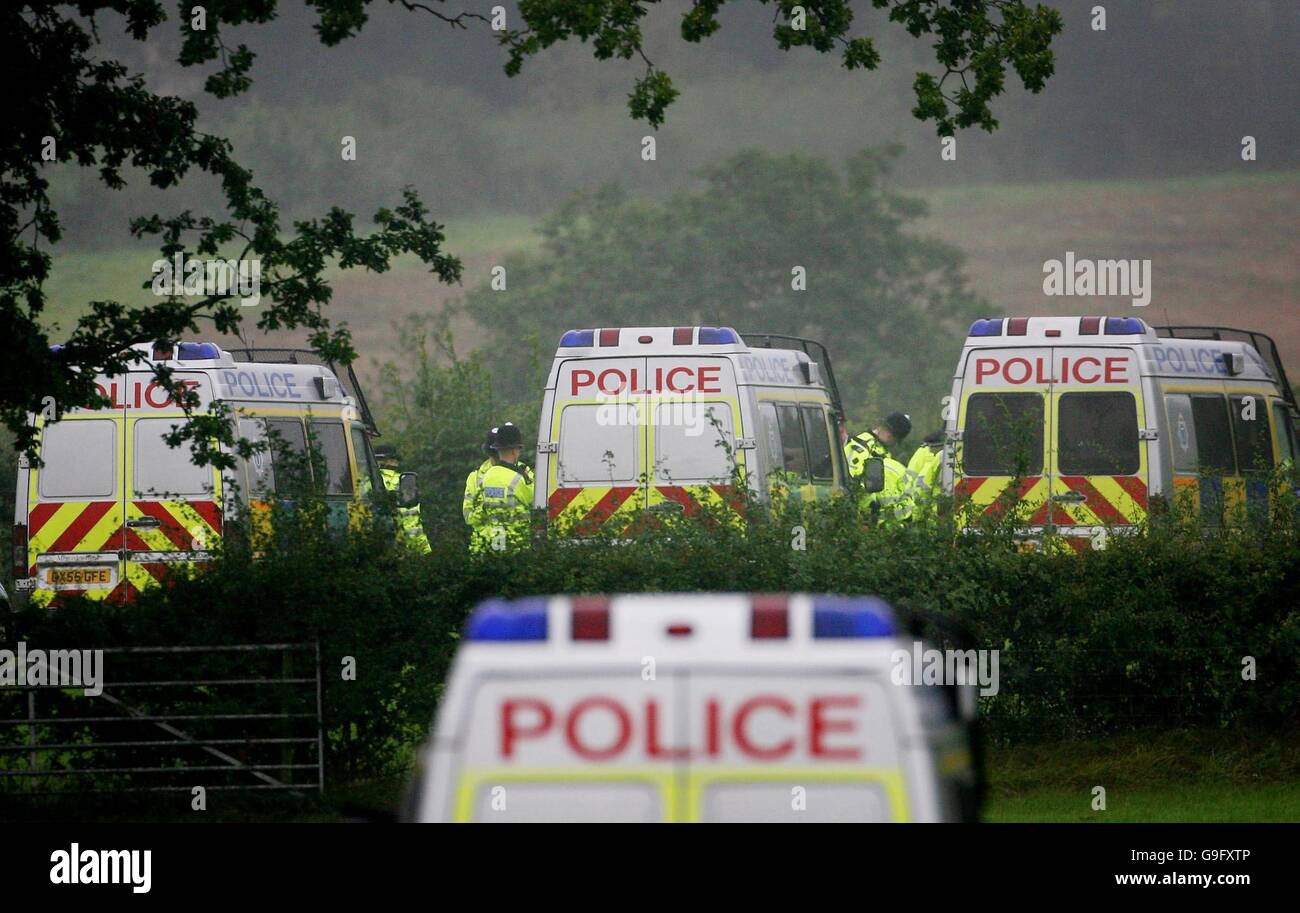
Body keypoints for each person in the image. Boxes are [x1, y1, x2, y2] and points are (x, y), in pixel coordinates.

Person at [463, 422, 535, 553]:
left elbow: (472, 515)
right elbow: (537, 503)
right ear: (515, 450)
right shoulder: (521, 477)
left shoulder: (485, 477)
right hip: (515, 545)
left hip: (486, 546)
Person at [844, 412, 914, 523]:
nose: (893, 441)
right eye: (894, 437)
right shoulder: (862, 446)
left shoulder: (881, 449)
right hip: (857, 514)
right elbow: (851, 482)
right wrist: (869, 507)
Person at [374, 443, 431, 553]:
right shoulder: (404, 480)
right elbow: (410, 521)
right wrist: (423, 550)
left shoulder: (364, 481)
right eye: (394, 459)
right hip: (404, 545)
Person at [906, 430, 945, 517]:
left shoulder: (924, 453)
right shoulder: (925, 453)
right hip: (929, 510)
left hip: (927, 510)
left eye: (931, 449)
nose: (930, 451)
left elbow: (910, 479)